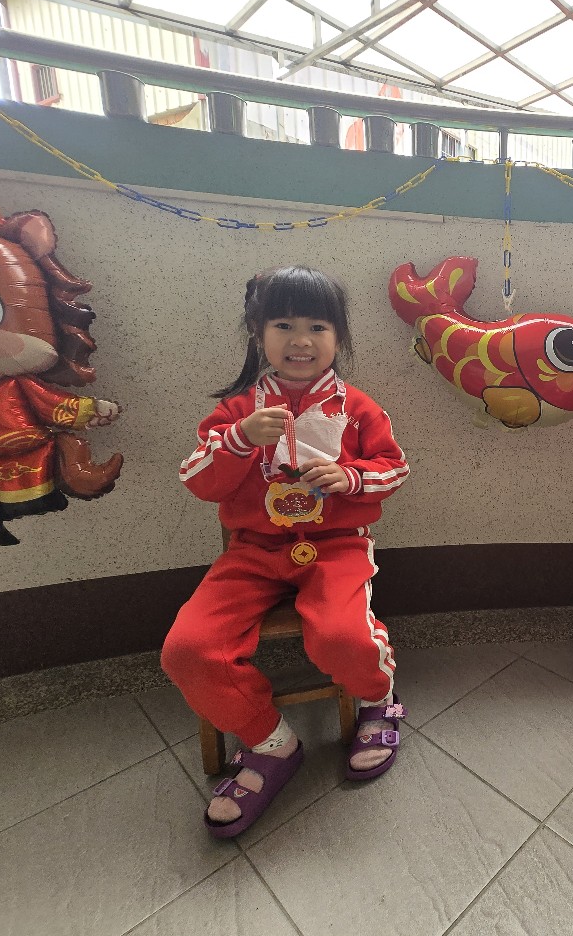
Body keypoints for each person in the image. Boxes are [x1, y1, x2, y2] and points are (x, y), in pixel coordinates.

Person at [162, 266, 409, 839]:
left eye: (318, 327)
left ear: (339, 337)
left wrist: (352, 477)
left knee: (344, 640)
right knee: (188, 651)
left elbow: (395, 468)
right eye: (284, 325)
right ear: (258, 333)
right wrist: (240, 440)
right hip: (251, 553)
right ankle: (271, 743)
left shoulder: (359, 408)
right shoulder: (237, 412)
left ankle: (379, 700)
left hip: (335, 549)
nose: (301, 340)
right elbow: (197, 480)